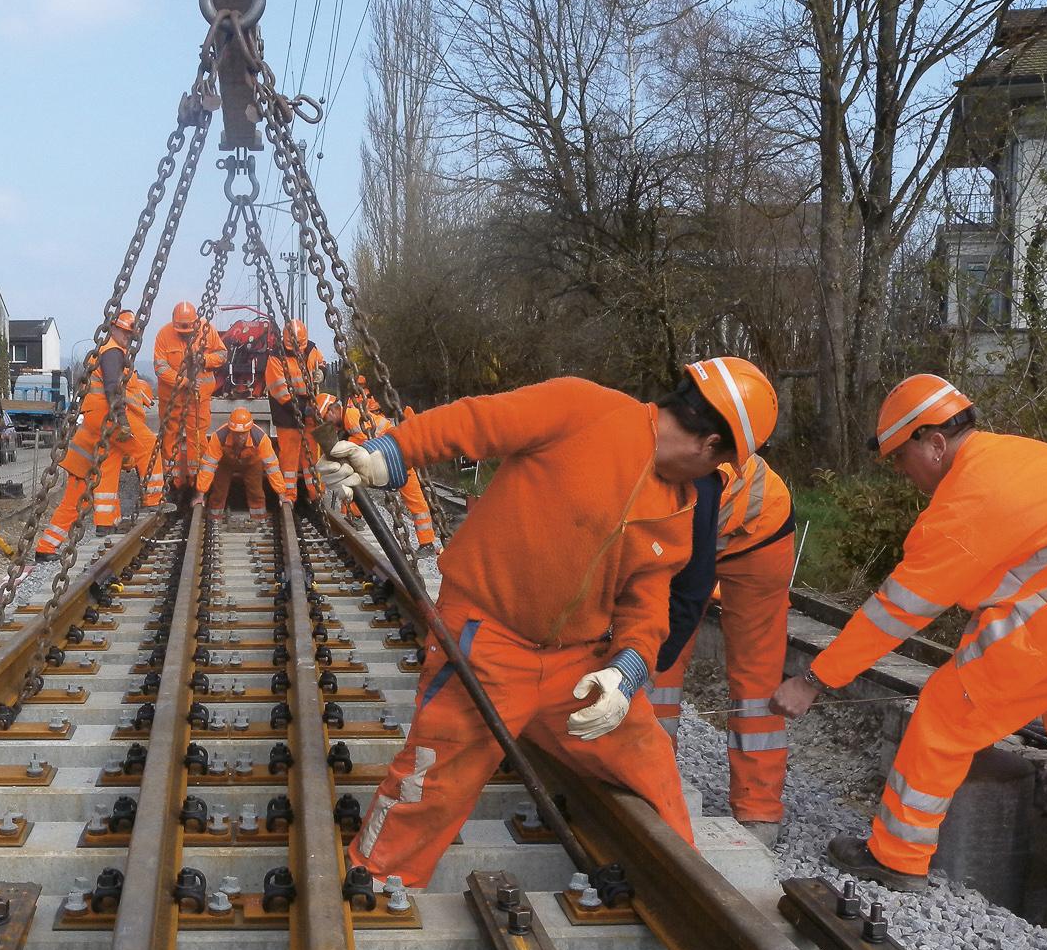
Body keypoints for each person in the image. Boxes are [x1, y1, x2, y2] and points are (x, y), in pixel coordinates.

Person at [771, 375, 1047, 950]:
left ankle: (896, 857)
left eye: (901, 459)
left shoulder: (969, 497)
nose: (904, 474)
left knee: (945, 712)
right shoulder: (1033, 458)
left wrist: (816, 678)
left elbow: (899, 610)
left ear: (935, 442)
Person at [319, 357, 777, 889]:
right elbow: (476, 421)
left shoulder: (678, 505)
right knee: (435, 779)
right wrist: (390, 453)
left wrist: (626, 672)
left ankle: (683, 892)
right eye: (724, 464)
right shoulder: (585, 407)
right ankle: (371, 878)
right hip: (487, 638)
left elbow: (648, 603)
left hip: (575, 663)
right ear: (710, 446)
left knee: (650, 764)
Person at [648, 445, 796, 846]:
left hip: (761, 531)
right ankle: (647, 775)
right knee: (658, 664)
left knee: (756, 671)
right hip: (699, 530)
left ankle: (759, 810)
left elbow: (688, 593)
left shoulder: (678, 477)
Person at [33, 341, 164, 560]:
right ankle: (153, 499)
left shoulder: (107, 435)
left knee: (78, 500)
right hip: (84, 460)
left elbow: (116, 466)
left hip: (83, 458)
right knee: (148, 446)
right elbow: (138, 448)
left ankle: (51, 545)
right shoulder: (120, 402)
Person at [322, 393, 436, 551]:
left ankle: (427, 542)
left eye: (324, 419)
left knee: (414, 499)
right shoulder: (348, 420)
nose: (326, 424)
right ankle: (354, 515)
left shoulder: (351, 417)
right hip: (391, 453)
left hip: (396, 454)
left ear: (331, 412)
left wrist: (345, 446)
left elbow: (367, 443)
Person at [154, 301, 226, 491]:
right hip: (172, 398)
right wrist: (184, 381)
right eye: (181, 330)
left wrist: (205, 359)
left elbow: (222, 354)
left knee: (198, 437)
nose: (185, 334)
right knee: (170, 438)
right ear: (174, 323)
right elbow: (160, 367)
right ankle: (173, 484)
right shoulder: (164, 335)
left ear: (195, 322)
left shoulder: (207, 330)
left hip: (199, 397)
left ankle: (199, 481)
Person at [264, 319, 326, 502]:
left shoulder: (312, 349)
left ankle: (316, 495)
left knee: (312, 455)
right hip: (287, 413)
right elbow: (282, 393)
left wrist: (322, 373)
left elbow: (321, 363)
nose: (298, 349)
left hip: (309, 408)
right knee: (289, 457)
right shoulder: (276, 357)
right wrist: (303, 408)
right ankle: (288, 496)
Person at [194, 407, 290, 523]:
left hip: (252, 463)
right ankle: (214, 519)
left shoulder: (260, 438)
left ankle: (259, 519)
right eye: (236, 433)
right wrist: (200, 494)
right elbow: (207, 467)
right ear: (230, 430)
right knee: (219, 491)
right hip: (226, 463)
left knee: (256, 492)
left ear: (249, 430)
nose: (240, 437)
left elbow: (272, 468)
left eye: (243, 434)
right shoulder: (219, 437)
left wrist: (282, 494)